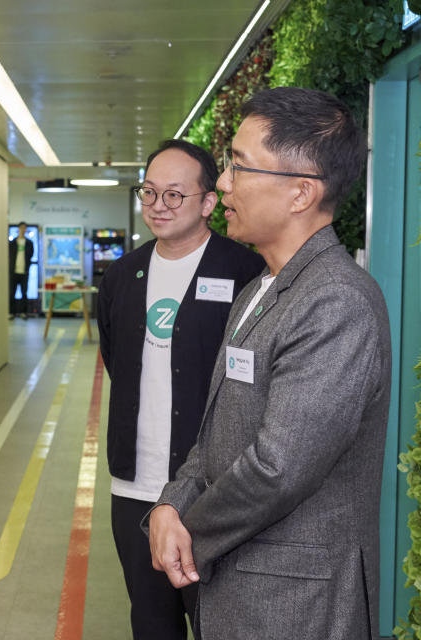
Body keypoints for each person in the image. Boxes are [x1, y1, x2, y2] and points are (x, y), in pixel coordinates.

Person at [148, 87, 392, 639]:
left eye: (238, 165)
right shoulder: (262, 287)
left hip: (294, 602)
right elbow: (215, 432)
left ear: (301, 193)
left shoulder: (337, 301)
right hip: (241, 588)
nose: (224, 183)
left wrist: (185, 524)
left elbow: (279, 465)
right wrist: (170, 501)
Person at [96, 139, 264, 639]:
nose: (157, 206)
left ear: (209, 202)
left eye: (174, 195)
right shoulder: (124, 275)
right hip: (134, 486)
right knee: (152, 623)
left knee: (219, 620)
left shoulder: (245, 272)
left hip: (214, 487)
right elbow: (117, 358)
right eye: (148, 193)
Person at [8, 221, 34, 318]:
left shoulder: (29, 243)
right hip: (13, 271)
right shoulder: (13, 243)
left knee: (24, 292)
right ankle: (11, 312)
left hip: (24, 271)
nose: (23, 230)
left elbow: (31, 255)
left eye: (24, 228)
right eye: (21, 228)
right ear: (18, 229)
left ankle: (23, 312)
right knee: (12, 292)